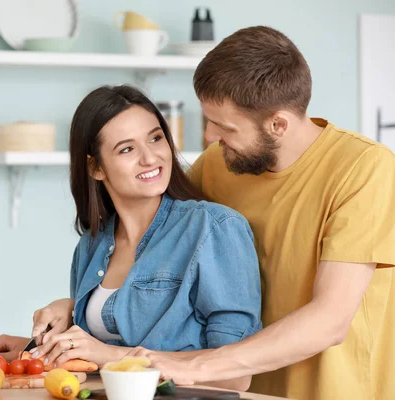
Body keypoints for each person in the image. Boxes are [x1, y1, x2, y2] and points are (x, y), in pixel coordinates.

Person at [123, 26, 395, 400]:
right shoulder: (218, 163)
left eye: (224, 126)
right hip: (240, 393)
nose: (209, 137)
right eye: (208, 121)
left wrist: (192, 367)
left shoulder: (365, 168)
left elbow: (330, 320)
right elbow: (153, 253)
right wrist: (74, 306)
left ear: (278, 124)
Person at [0, 84, 262, 390]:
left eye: (155, 138)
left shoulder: (213, 228)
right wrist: (33, 348)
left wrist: (109, 355)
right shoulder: (91, 246)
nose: (150, 157)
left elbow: (235, 377)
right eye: (127, 149)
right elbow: (93, 361)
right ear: (96, 167)